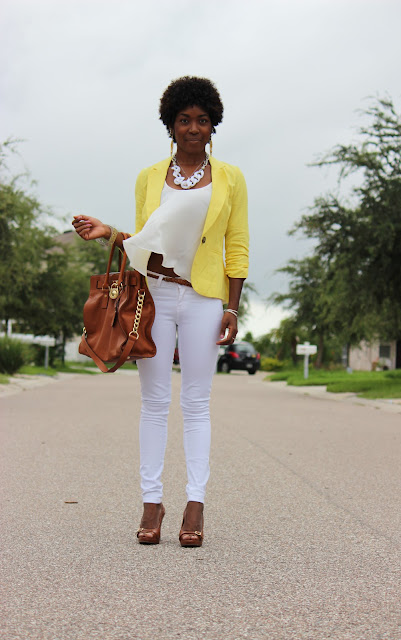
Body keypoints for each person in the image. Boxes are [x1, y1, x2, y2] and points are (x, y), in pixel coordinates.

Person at [72, 76, 249, 547]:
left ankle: (195, 504)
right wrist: (110, 233)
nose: (193, 128)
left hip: (204, 299)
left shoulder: (231, 178)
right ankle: (152, 502)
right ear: (170, 125)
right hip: (155, 296)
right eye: (184, 120)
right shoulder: (149, 177)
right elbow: (143, 242)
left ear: (213, 126)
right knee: (153, 402)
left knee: (196, 401)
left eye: (202, 120)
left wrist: (232, 307)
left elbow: (236, 245)